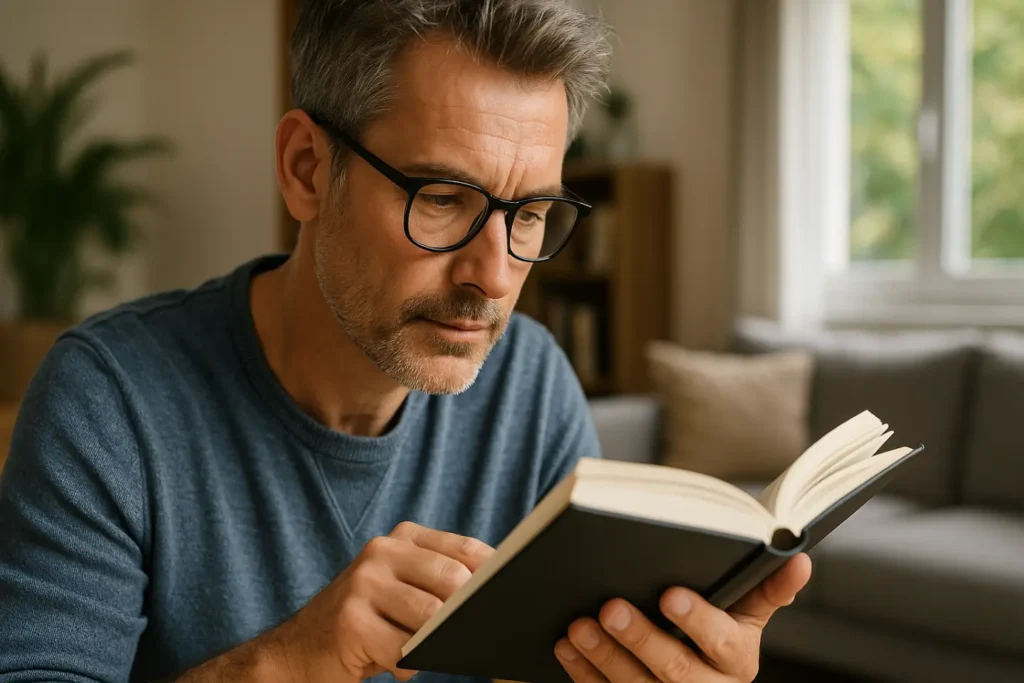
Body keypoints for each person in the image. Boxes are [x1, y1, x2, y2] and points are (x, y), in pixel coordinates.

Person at [0, 1, 811, 682]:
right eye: (446, 199)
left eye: (529, 214)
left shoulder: (530, 384)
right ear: (307, 169)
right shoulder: (106, 399)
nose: (493, 276)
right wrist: (289, 662)